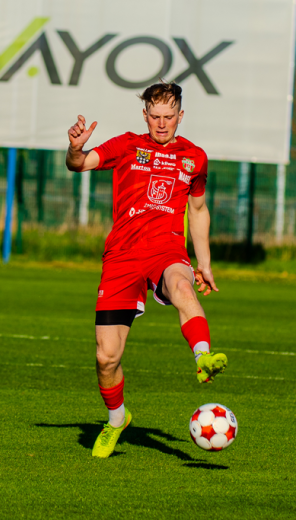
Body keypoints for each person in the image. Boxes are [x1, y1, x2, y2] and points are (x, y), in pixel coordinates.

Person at [65, 81, 227, 458]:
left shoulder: (194, 158)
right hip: (121, 256)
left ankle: (203, 357)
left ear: (180, 116)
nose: (162, 123)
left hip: (166, 250)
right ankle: (117, 419)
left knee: (182, 288)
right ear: (145, 115)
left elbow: (198, 210)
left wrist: (203, 262)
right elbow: (79, 164)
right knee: (106, 357)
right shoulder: (126, 146)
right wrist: (75, 148)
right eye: (155, 116)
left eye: (169, 116)